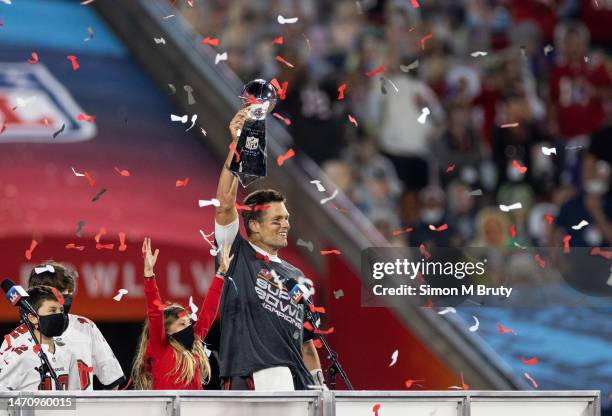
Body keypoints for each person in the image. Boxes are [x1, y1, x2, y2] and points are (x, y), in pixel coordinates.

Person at [213, 108, 326, 391]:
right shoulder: (236, 255)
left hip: (294, 385)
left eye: (286, 218)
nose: (285, 224)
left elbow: (308, 344)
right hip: (248, 380)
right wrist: (237, 144)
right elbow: (225, 203)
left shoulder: (298, 276)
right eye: (277, 219)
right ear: (253, 226)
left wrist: (320, 390)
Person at [0, 262, 125, 390]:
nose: (64, 301)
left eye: (68, 295)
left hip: (83, 409)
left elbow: (112, 381)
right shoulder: (15, 341)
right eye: (57, 295)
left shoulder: (86, 327)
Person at [131, 238, 227, 390]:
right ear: (167, 330)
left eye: (189, 322)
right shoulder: (159, 348)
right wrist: (149, 274)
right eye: (182, 324)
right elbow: (155, 313)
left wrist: (221, 274)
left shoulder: (193, 341)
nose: (189, 327)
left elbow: (208, 313)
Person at [0, 286, 79, 390]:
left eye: (61, 310)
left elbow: (75, 398)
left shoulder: (68, 352)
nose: (60, 315)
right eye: (52, 310)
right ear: (32, 318)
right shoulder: (18, 357)